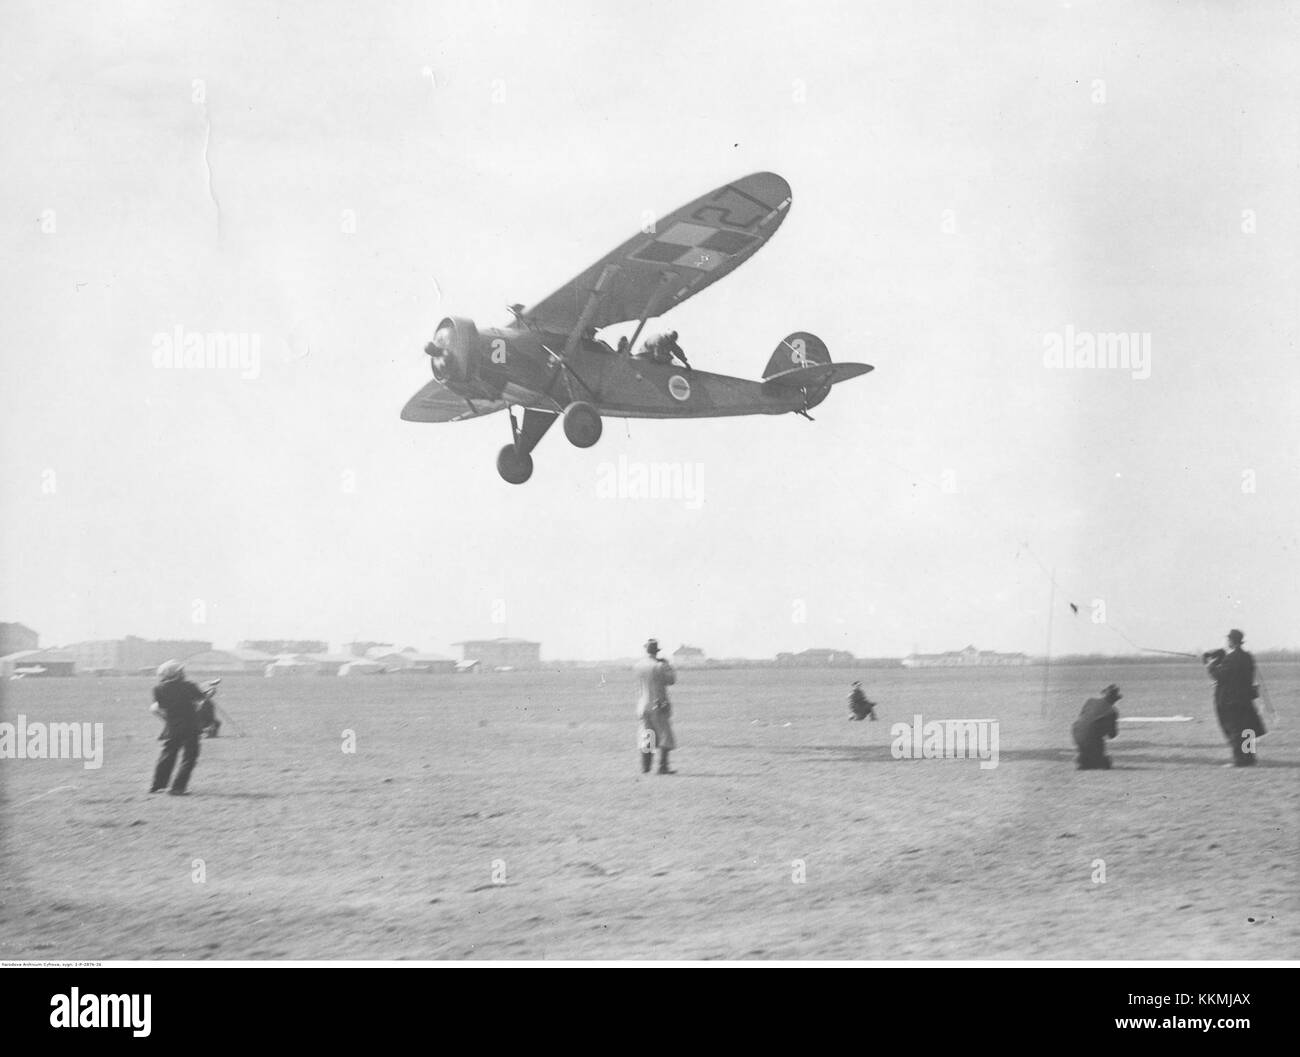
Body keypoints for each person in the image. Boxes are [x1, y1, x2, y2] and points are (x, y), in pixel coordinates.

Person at [149, 660, 209, 794]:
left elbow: (162, 706)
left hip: (172, 726)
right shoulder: (189, 685)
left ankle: (158, 786)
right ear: (176, 673)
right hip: (190, 726)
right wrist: (208, 693)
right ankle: (178, 787)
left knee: (167, 755)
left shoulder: (158, 689)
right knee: (189, 757)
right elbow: (201, 698)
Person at [1205, 629, 1264, 767]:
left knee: (1235, 730)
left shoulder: (1231, 659)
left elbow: (1220, 676)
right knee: (1247, 729)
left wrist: (1210, 666)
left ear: (1231, 641)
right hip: (1245, 699)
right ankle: (1250, 759)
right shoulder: (1247, 657)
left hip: (1231, 700)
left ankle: (1239, 760)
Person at [633, 638, 677, 774]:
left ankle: (645, 767)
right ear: (656, 651)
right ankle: (662, 767)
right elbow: (671, 680)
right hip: (658, 704)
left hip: (642, 705)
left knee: (647, 735)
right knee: (665, 736)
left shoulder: (638, 665)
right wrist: (668, 666)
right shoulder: (659, 665)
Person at [1072, 684, 1121, 770]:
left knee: (1088, 759)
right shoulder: (1112, 711)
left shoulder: (1090, 701)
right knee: (1105, 763)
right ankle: (1094, 759)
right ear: (1114, 699)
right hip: (1092, 740)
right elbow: (1112, 735)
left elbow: (1083, 717)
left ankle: (1084, 758)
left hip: (1076, 734)